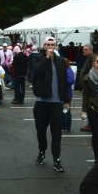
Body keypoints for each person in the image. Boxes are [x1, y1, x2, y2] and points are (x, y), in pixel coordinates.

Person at [32, 36, 70, 171]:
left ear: (55, 46)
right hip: (42, 102)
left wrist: (66, 101)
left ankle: (56, 159)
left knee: (56, 132)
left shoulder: (60, 61)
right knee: (41, 131)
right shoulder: (37, 58)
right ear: (44, 46)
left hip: (56, 103)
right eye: (47, 44)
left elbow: (64, 82)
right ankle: (42, 152)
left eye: (52, 44)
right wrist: (47, 58)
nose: (50, 46)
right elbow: (37, 71)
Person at [62, 58, 75, 132]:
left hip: (67, 93)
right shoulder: (61, 71)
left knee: (66, 109)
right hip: (61, 93)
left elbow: (71, 81)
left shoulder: (69, 71)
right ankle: (62, 124)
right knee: (62, 110)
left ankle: (66, 126)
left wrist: (64, 78)